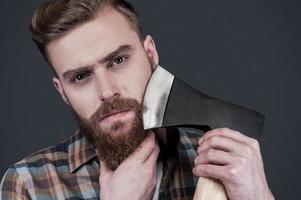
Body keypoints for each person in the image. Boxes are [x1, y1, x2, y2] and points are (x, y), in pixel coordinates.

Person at [0, 0, 274, 199]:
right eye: (81, 77)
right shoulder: (30, 184)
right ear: (62, 91)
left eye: (118, 60)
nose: (107, 91)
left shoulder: (220, 160)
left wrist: (259, 196)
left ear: (151, 54)